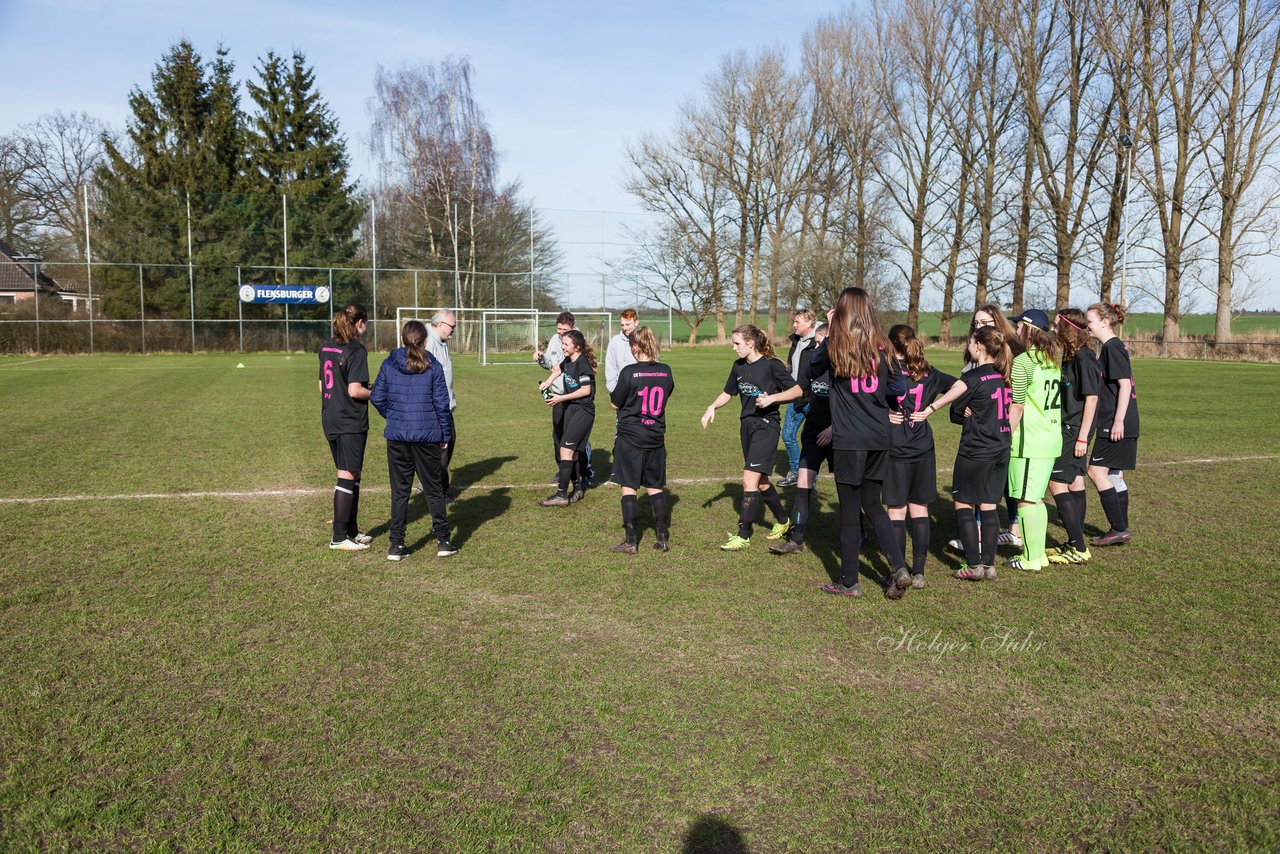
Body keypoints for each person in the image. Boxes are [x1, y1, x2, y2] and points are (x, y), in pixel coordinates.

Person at [806, 287, 911, 600]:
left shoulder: (836, 344)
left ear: (841, 311)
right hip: (880, 436)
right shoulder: (884, 347)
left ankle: (849, 581)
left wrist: (827, 333)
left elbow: (812, 367)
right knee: (873, 504)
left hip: (850, 439)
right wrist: (881, 400)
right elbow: (899, 387)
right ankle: (898, 567)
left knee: (850, 514)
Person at [916, 326, 1012, 581]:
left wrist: (928, 410)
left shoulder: (973, 377)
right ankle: (989, 565)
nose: (968, 345)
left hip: (977, 449)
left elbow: (952, 394)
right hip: (1001, 447)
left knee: (964, 503)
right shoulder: (1004, 375)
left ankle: (973, 565)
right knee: (990, 505)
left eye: (971, 341)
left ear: (979, 346)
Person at [701, 324, 802, 551]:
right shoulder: (738, 367)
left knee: (749, 479)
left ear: (750, 343)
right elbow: (729, 392)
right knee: (762, 481)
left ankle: (744, 534)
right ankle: (784, 522)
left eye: (737, 344)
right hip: (746, 426)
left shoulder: (772, 365)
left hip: (766, 426)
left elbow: (797, 391)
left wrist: (772, 399)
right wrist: (712, 407)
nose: (734, 348)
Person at [883, 325, 965, 588]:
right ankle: (919, 572)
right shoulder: (927, 372)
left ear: (893, 346)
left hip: (895, 447)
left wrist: (885, 415)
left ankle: (899, 571)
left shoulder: (888, 372)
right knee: (920, 508)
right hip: (923, 446)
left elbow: (865, 399)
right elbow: (962, 385)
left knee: (897, 510)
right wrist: (932, 408)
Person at [370, 321, 457, 560]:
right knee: (434, 490)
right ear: (425, 340)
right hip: (426, 437)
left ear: (403, 338)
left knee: (400, 492)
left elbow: (376, 396)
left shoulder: (390, 363)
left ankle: (396, 545)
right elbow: (442, 405)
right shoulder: (432, 365)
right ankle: (443, 541)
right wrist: (445, 435)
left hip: (399, 437)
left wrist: (394, 415)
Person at [1003, 309, 1063, 572]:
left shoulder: (1024, 361)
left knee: (1026, 500)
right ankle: (1037, 555)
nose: (1015, 330)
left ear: (1028, 329)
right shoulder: (1051, 358)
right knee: (1036, 499)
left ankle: (1029, 558)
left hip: (1030, 442)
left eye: (1018, 326)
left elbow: (1017, 406)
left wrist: (1003, 436)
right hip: (1050, 438)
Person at [608, 326, 675, 552]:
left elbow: (615, 403)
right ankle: (662, 538)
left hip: (631, 437)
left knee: (629, 487)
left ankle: (630, 541)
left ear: (635, 347)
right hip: (656, 436)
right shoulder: (666, 371)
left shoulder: (629, 372)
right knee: (655, 486)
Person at [770, 323, 830, 556]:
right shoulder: (813, 368)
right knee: (803, 484)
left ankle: (859, 530)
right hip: (814, 433)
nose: (815, 347)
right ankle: (796, 539)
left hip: (838, 435)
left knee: (849, 490)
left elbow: (852, 407)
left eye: (820, 343)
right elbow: (797, 390)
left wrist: (834, 429)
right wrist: (772, 399)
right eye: (814, 342)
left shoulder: (843, 369)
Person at [1046, 308, 1100, 564]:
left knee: (1055, 483)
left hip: (1074, 430)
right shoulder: (1070, 356)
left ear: (1068, 328)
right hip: (1070, 428)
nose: (1054, 330)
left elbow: (1092, 399)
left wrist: (1082, 437)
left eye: (1057, 326)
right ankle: (1074, 542)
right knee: (1075, 482)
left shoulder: (1084, 358)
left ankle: (1078, 547)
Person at [318, 303, 372, 551]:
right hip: (349, 420)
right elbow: (355, 390)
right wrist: (375, 391)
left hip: (330, 416)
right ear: (359, 323)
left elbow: (321, 386)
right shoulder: (356, 350)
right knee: (347, 474)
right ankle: (339, 537)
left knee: (352, 474)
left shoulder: (327, 345)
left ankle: (351, 531)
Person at [1086, 302, 1139, 547]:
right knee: (1114, 473)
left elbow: (1125, 385)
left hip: (1116, 421)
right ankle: (1121, 527)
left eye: (1090, 321)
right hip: (1120, 420)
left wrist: (1118, 421)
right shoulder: (1111, 347)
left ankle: (1118, 528)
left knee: (1096, 471)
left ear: (1104, 322)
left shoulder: (1112, 347)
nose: (1087, 326)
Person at [538, 329, 598, 506]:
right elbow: (558, 369)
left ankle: (561, 495)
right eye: (562, 343)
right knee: (570, 454)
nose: (562, 346)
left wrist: (560, 398)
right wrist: (547, 383)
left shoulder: (582, 364)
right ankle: (577, 488)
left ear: (577, 347)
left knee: (565, 450)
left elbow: (586, 390)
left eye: (566, 344)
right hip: (572, 410)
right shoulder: (568, 360)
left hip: (583, 412)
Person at [779, 309, 818, 487]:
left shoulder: (818, 344)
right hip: (795, 397)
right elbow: (792, 369)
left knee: (811, 440)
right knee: (787, 434)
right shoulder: (796, 342)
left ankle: (811, 478)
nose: (794, 325)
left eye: (798, 322)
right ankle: (796, 471)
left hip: (812, 399)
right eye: (794, 321)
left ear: (810, 324)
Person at [425, 310, 457, 497]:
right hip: (436, 408)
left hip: (445, 407)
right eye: (452, 326)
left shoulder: (442, 341)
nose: (454, 330)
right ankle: (439, 493)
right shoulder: (429, 342)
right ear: (440, 324)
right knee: (441, 452)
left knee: (447, 446)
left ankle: (430, 484)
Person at [604, 308, 640, 393]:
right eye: (622, 325)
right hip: (620, 391)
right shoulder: (615, 341)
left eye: (628, 324)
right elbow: (610, 367)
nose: (625, 328)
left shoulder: (645, 339)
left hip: (641, 390)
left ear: (636, 322)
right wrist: (614, 389)